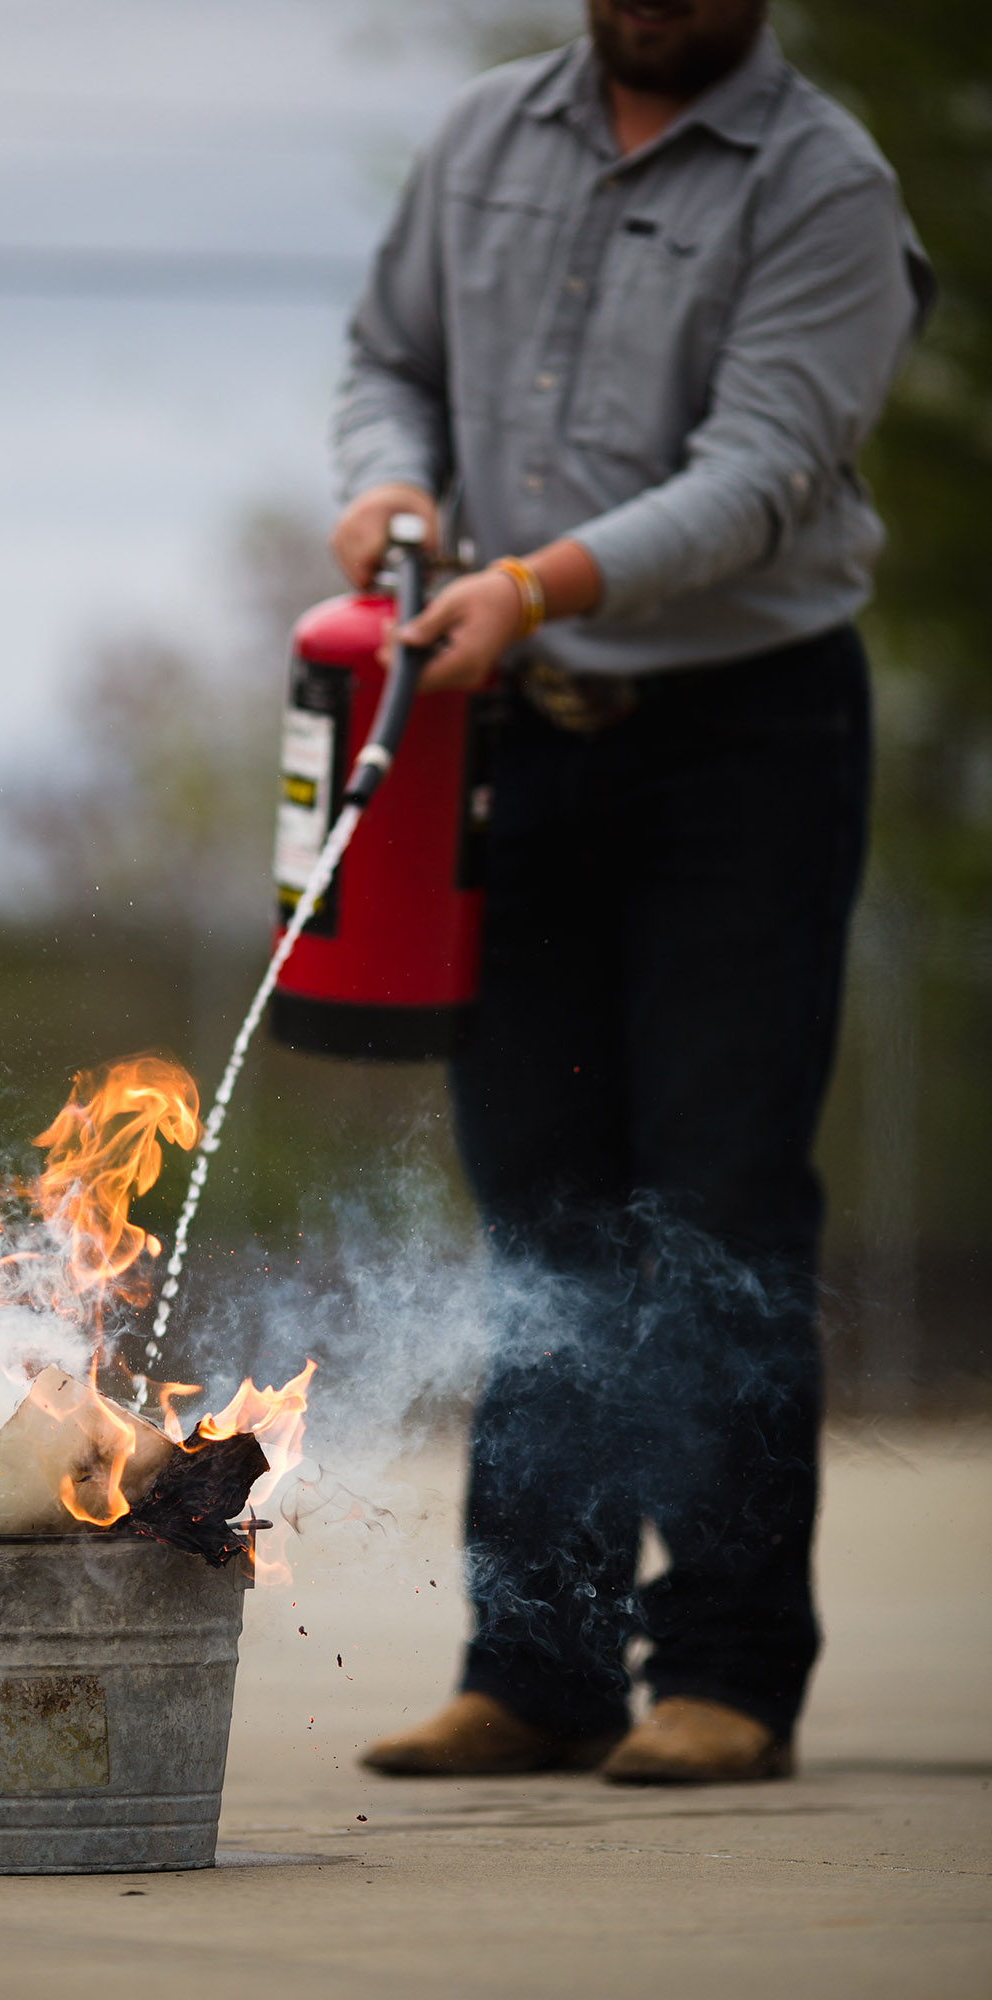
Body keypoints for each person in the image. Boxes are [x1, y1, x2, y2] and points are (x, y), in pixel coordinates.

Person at [329, 0, 933, 1783]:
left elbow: (763, 474)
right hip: (504, 731)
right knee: (542, 1203)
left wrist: (535, 581)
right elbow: (386, 359)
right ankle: (535, 1666)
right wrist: (383, 484)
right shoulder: (478, 140)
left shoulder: (824, 182)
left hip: (739, 741)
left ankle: (728, 1673)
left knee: (720, 1200)